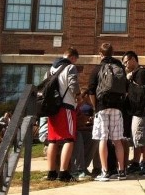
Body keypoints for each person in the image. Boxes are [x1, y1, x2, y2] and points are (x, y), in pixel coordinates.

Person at [88, 42, 128, 181]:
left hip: (102, 107)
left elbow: (91, 91)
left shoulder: (97, 69)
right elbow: (126, 88)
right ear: (112, 52)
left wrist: (95, 107)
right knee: (117, 140)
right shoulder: (119, 67)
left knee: (103, 139)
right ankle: (121, 171)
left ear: (100, 54)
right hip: (117, 107)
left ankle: (104, 171)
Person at [44, 47, 80, 182]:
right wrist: (78, 96)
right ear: (72, 57)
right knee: (69, 139)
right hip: (66, 106)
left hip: (52, 108)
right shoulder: (70, 68)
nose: (75, 62)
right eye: (75, 59)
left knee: (52, 140)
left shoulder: (50, 69)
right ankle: (64, 172)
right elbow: (73, 85)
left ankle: (51, 172)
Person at [122, 51, 145, 175]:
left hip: (142, 110)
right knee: (136, 136)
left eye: (126, 61)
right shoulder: (134, 74)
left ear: (134, 60)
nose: (125, 64)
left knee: (142, 137)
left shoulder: (141, 73)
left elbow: (141, 94)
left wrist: (130, 81)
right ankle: (136, 163)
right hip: (137, 111)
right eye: (124, 62)